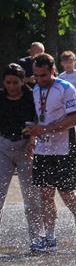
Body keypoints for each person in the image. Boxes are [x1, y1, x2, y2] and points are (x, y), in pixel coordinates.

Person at [26, 53, 76, 251]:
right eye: (36, 76)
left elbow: (74, 119)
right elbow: (38, 119)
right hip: (43, 149)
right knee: (45, 194)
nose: (40, 80)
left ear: (53, 71)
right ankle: (50, 237)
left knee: (66, 193)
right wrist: (32, 137)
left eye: (44, 76)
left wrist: (45, 129)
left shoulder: (66, 88)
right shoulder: (36, 89)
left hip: (65, 148)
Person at [0, 63, 43, 252]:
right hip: (3, 147)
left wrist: (33, 139)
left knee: (32, 197)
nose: (12, 86)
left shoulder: (31, 97)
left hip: (26, 148)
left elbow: (39, 120)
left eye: (15, 82)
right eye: (8, 82)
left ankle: (37, 238)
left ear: (22, 81)